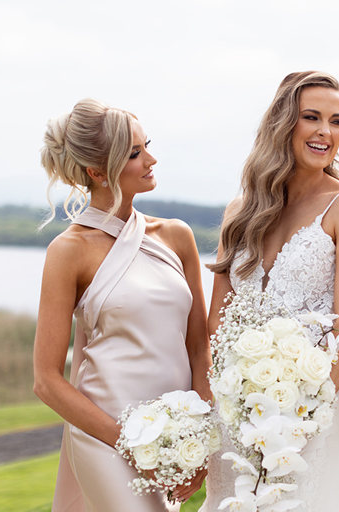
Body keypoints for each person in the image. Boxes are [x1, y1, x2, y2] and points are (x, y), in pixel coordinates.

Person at [202, 71, 339, 512]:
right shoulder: (241, 211)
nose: (325, 132)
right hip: (237, 413)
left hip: (310, 419)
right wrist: (225, 403)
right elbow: (216, 324)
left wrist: (300, 419)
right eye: (312, 117)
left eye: (337, 121)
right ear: (283, 123)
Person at [33, 99, 211, 512]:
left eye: (146, 144)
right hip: (105, 437)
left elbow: (200, 348)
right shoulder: (68, 252)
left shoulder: (176, 237)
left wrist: (200, 438)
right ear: (97, 171)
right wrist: (132, 446)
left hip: (173, 434)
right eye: (134, 153)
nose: (150, 159)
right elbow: (46, 380)